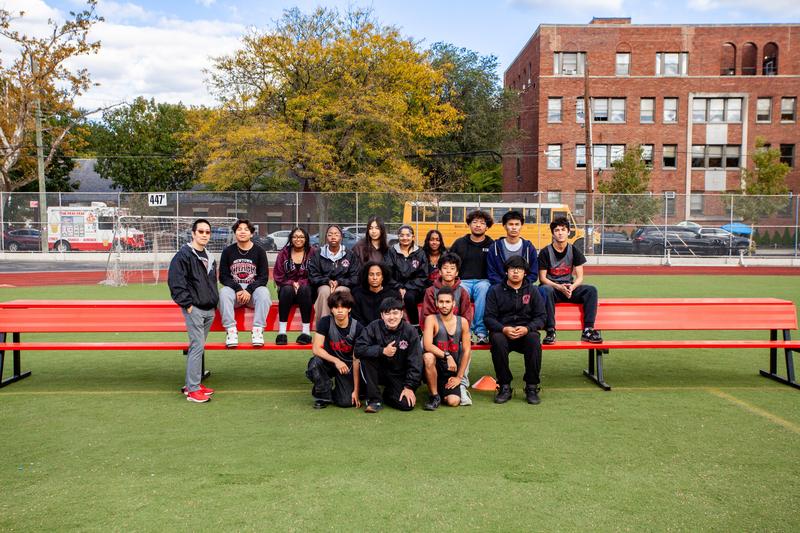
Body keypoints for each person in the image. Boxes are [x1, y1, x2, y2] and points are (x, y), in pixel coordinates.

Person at [167, 218, 219, 403]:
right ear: (193, 234)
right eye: (201, 232)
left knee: (198, 347)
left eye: (207, 232)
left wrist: (214, 303)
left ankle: (192, 384)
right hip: (194, 309)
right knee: (197, 347)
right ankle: (193, 390)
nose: (204, 235)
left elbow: (212, 283)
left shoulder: (210, 256)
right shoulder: (183, 255)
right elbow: (176, 282)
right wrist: (188, 304)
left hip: (208, 309)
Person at [484, 256, 546, 405]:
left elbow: (541, 317)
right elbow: (488, 318)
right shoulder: (495, 291)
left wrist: (527, 328)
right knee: (497, 339)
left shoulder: (533, 290)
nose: (516, 272)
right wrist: (503, 329)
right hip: (503, 332)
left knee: (534, 339)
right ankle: (504, 386)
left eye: (520, 269)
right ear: (506, 271)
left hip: (525, 332)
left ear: (525, 272)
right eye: (512, 269)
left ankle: (531, 387)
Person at [418, 252, 474, 405]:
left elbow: (466, 317)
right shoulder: (431, 291)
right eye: (445, 268)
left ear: (457, 272)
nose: (448, 271)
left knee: (465, 346)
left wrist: (456, 328)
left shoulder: (462, 292)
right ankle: (429, 384)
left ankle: (461, 382)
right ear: (439, 271)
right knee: (425, 347)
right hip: (434, 332)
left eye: (452, 268)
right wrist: (440, 328)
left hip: (455, 332)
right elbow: (426, 317)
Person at [538, 216, 602, 345]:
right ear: (553, 233)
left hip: (568, 289)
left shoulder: (574, 250)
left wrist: (572, 287)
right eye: (557, 230)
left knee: (591, 290)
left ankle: (588, 330)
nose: (560, 233)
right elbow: (543, 278)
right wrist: (559, 287)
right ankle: (550, 331)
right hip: (553, 289)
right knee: (545, 290)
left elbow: (580, 277)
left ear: (568, 232)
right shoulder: (545, 252)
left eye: (563, 229)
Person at [354, 297, 422, 413]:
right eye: (387, 313)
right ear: (382, 315)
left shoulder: (410, 331)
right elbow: (358, 349)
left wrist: (409, 387)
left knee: (406, 405)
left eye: (395, 313)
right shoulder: (373, 327)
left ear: (401, 314)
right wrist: (382, 351)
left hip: (399, 375)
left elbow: (416, 361)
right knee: (367, 356)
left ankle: (388, 394)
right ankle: (374, 399)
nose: (391, 317)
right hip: (379, 371)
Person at [305, 291, 364, 409]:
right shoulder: (325, 322)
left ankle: (338, 391)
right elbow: (316, 349)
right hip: (329, 362)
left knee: (346, 402)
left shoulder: (357, 327)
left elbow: (356, 360)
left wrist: (356, 390)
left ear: (349, 309)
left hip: (347, 366)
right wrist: (336, 361)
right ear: (331, 309)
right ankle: (322, 395)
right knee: (315, 364)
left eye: (343, 307)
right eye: (336, 307)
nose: (340, 311)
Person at [218, 219, 271, 349]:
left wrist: (249, 290)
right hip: (235, 294)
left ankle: (257, 330)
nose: (242, 232)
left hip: (252, 294)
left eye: (246, 229)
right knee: (223, 292)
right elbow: (223, 276)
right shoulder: (227, 251)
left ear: (251, 233)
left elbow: (263, 277)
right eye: (239, 229)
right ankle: (231, 331)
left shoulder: (259, 251)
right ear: (235, 233)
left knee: (264, 292)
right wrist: (237, 289)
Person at [421, 287, 472, 411]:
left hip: (451, 371)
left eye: (447, 302)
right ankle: (434, 396)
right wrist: (447, 356)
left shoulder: (463, 322)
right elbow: (427, 345)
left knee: (453, 401)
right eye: (441, 302)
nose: (444, 305)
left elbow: (467, 351)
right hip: (435, 367)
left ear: (454, 303)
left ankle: (451, 389)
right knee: (428, 356)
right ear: (436, 303)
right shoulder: (431, 319)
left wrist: (459, 377)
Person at [450, 209, 494, 344]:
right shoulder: (459, 243)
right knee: (461, 290)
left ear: (487, 227)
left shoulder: (492, 244)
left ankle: (481, 332)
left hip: (483, 281)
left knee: (484, 289)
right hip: (463, 281)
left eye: (482, 223)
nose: (478, 225)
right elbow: (450, 262)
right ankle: (465, 332)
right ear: (469, 224)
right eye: (475, 222)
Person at [273, 226, 314, 345]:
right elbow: (278, 275)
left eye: (301, 237)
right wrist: (292, 284)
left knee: (304, 289)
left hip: (307, 293)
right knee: (287, 289)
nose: (298, 239)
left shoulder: (313, 252)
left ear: (306, 239)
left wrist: (300, 284)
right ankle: (282, 332)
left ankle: (306, 332)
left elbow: (316, 274)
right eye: (295, 237)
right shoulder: (283, 253)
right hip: (287, 292)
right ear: (291, 238)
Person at [308, 224, 359, 319]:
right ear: (326, 237)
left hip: (343, 286)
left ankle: (341, 325)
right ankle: (323, 325)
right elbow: (313, 276)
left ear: (341, 237)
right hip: (323, 285)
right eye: (330, 234)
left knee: (340, 292)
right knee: (324, 291)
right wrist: (327, 281)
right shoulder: (318, 253)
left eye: (336, 234)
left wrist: (339, 282)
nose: (333, 237)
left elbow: (355, 277)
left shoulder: (350, 254)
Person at [384, 225, 427, 328]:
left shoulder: (420, 253)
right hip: (394, 286)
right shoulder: (391, 252)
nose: (405, 238)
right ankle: (392, 327)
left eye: (408, 235)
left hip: (414, 287)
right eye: (402, 235)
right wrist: (399, 287)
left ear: (413, 237)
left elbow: (423, 276)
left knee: (409, 297)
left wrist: (406, 288)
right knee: (388, 297)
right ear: (398, 237)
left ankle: (415, 326)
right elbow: (387, 273)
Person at [487, 210, 539, 286]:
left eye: (517, 224)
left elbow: (533, 273)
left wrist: (520, 285)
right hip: (500, 287)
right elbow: (492, 272)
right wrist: (505, 285)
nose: (514, 227)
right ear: (505, 226)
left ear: (521, 226)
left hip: (523, 287)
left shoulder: (529, 248)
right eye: (510, 224)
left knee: (538, 290)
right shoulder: (494, 247)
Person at [350, 261, 401, 326]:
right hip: (364, 330)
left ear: (383, 277)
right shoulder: (358, 295)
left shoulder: (393, 295)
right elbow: (357, 319)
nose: (374, 278)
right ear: (366, 276)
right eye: (371, 275)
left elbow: (395, 318)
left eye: (378, 274)